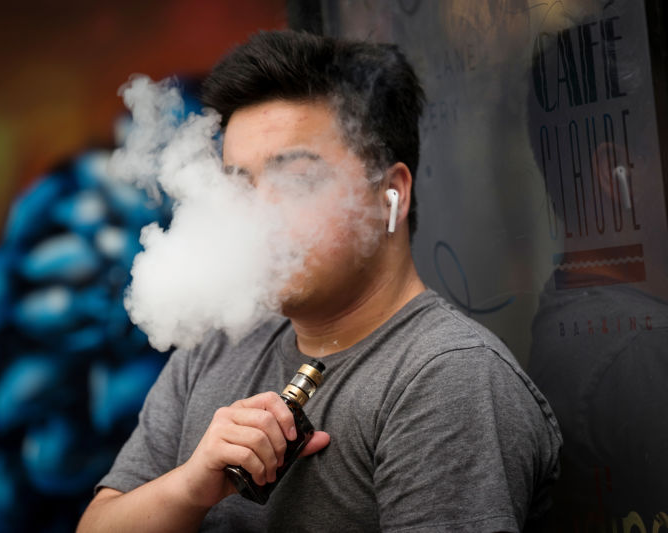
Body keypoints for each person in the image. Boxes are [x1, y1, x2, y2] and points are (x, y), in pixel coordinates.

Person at [78, 30, 562, 532]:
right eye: (240, 185)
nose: (257, 214)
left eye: (297, 179)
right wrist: (189, 487)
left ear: (389, 195)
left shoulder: (446, 379)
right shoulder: (217, 350)